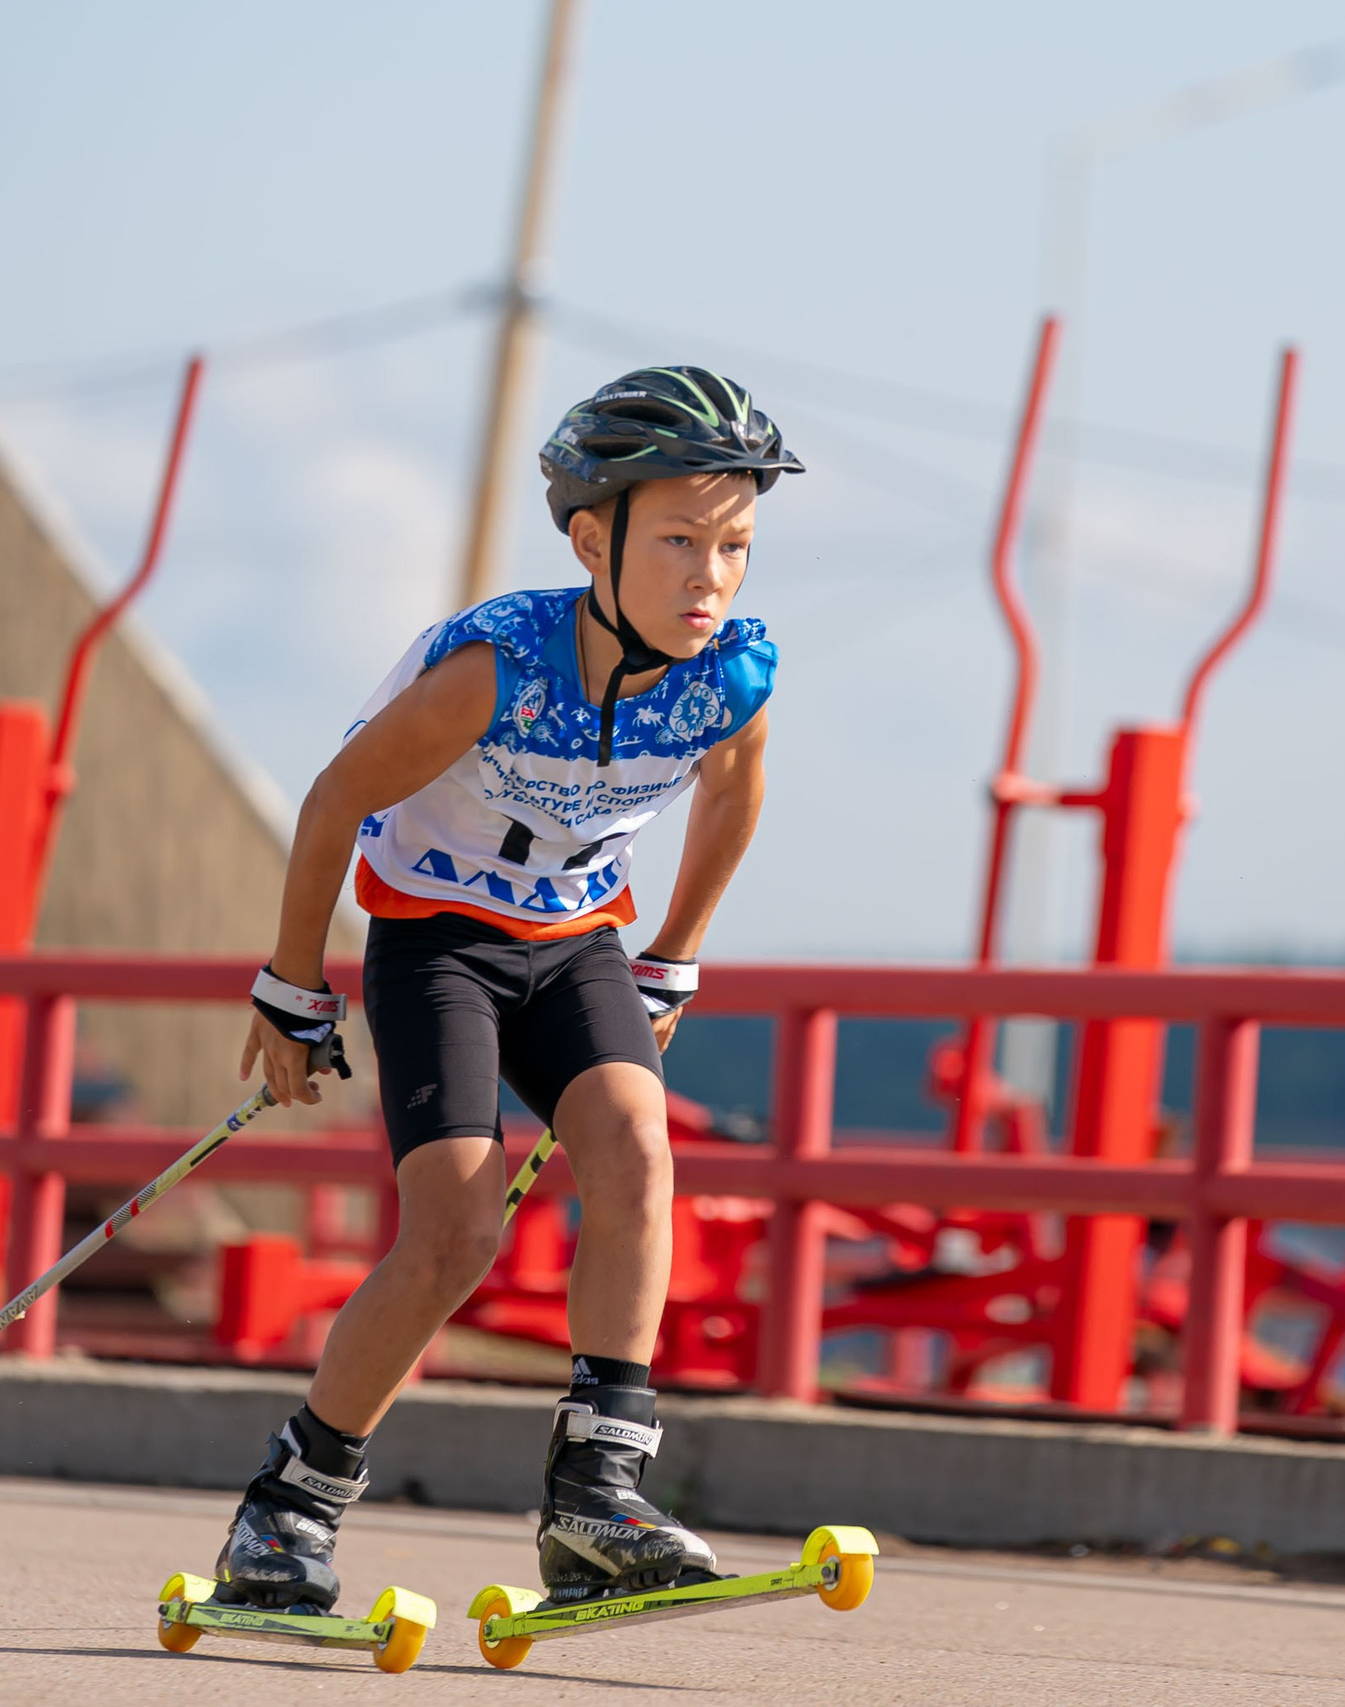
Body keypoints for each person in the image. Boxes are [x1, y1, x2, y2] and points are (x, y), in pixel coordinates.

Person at [216, 366, 801, 1613]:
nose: (711, 576)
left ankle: (597, 1497)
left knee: (639, 1152)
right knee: (456, 1238)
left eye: (737, 544)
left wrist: (675, 954)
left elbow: (734, 797)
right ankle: (288, 1511)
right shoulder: (498, 671)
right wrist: (288, 987)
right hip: (438, 945)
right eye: (681, 542)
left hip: (576, 941)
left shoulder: (731, 678)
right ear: (595, 539)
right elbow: (333, 803)